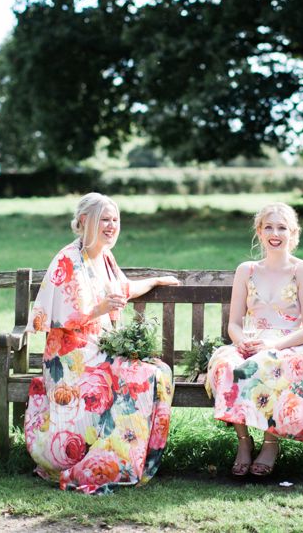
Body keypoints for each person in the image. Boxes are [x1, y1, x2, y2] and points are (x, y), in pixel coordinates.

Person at [24, 192, 180, 494]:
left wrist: (156, 281)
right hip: (73, 356)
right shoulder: (68, 260)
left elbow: (122, 288)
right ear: (84, 222)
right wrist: (100, 310)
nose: (111, 225)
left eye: (115, 219)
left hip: (100, 348)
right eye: (104, 219)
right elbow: (62, 318)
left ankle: (124, 456)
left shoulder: (104, 257)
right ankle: (110, 461)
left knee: (159, 371)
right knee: (141, 375)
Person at [206, 202, 303, 477]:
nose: (275, 233)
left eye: (282, 227)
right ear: (259, 232)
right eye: (269, 227)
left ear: (293, 233)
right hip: (251, 340)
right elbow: (234, 323)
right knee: (227, 365)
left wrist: (273, 345)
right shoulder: (246, 270)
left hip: (292, 342)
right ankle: (244, 442)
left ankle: (270, 443)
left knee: (270, 364)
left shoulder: (302, 270)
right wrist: (240, 342)